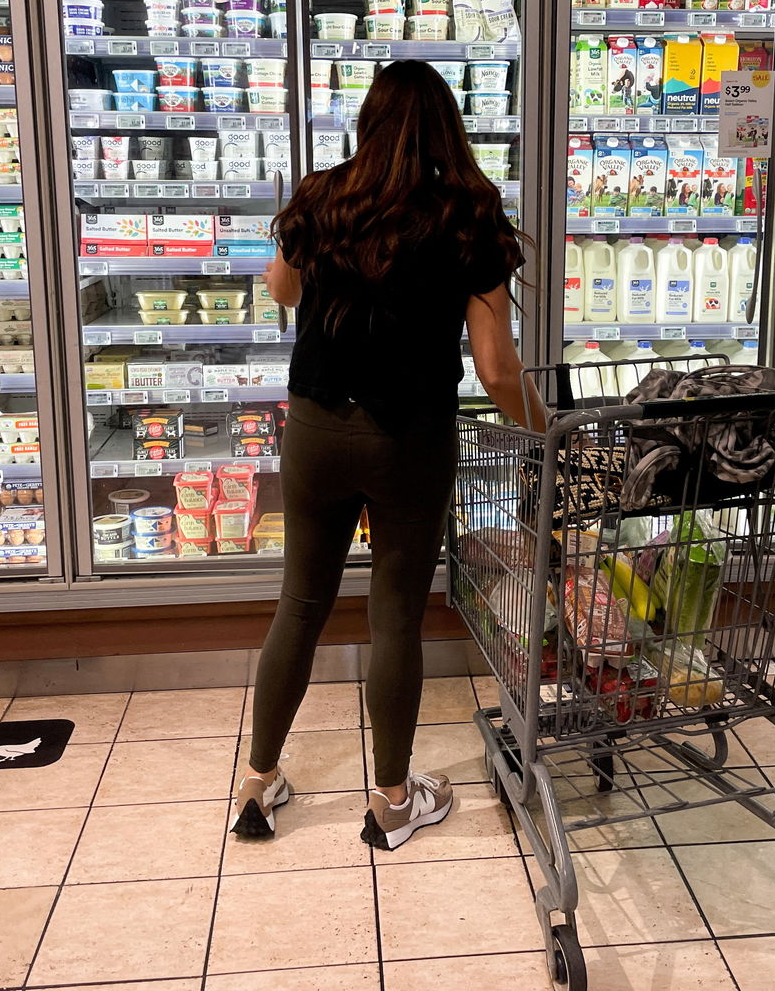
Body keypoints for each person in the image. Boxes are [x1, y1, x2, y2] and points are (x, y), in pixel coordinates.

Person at [232, 59, 545, 851]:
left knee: (300, 604)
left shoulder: (321, 196)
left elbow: (282, 291)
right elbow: (496, 369)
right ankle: (393, 801)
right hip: (410, 437)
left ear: (367, 123)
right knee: (396, 615)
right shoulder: (470, 214)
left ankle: (259, 784)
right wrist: (547, 429)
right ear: (448, 129)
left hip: (315, 429)